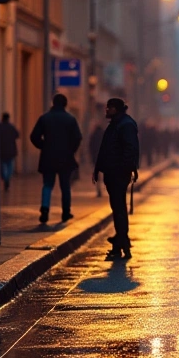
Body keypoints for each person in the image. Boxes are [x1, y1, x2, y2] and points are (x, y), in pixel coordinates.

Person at [93, 98, 140, 260]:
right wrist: (97, 169)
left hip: (118, 173)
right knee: (117, 207)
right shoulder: (116, 124)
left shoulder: (124, 125)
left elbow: (130, 148)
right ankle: (121, 240)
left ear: (117, 109)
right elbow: (105, 149)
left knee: (119, 207)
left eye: (109, 108)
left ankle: (122, 241)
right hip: (113, 172)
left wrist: (124, 168)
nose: (106, 110)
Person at [30, 94, 83, 224]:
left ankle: (45, 209)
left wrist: (43, 146)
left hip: (48, 157)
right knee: (65, 186)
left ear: (53, 103)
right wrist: (71, 150)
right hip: (65, 157)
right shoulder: (70, 119)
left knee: (47, 184)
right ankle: (65, 212)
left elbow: (34, 136)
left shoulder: (44, 118)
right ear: (65, 104)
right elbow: (78, 137)